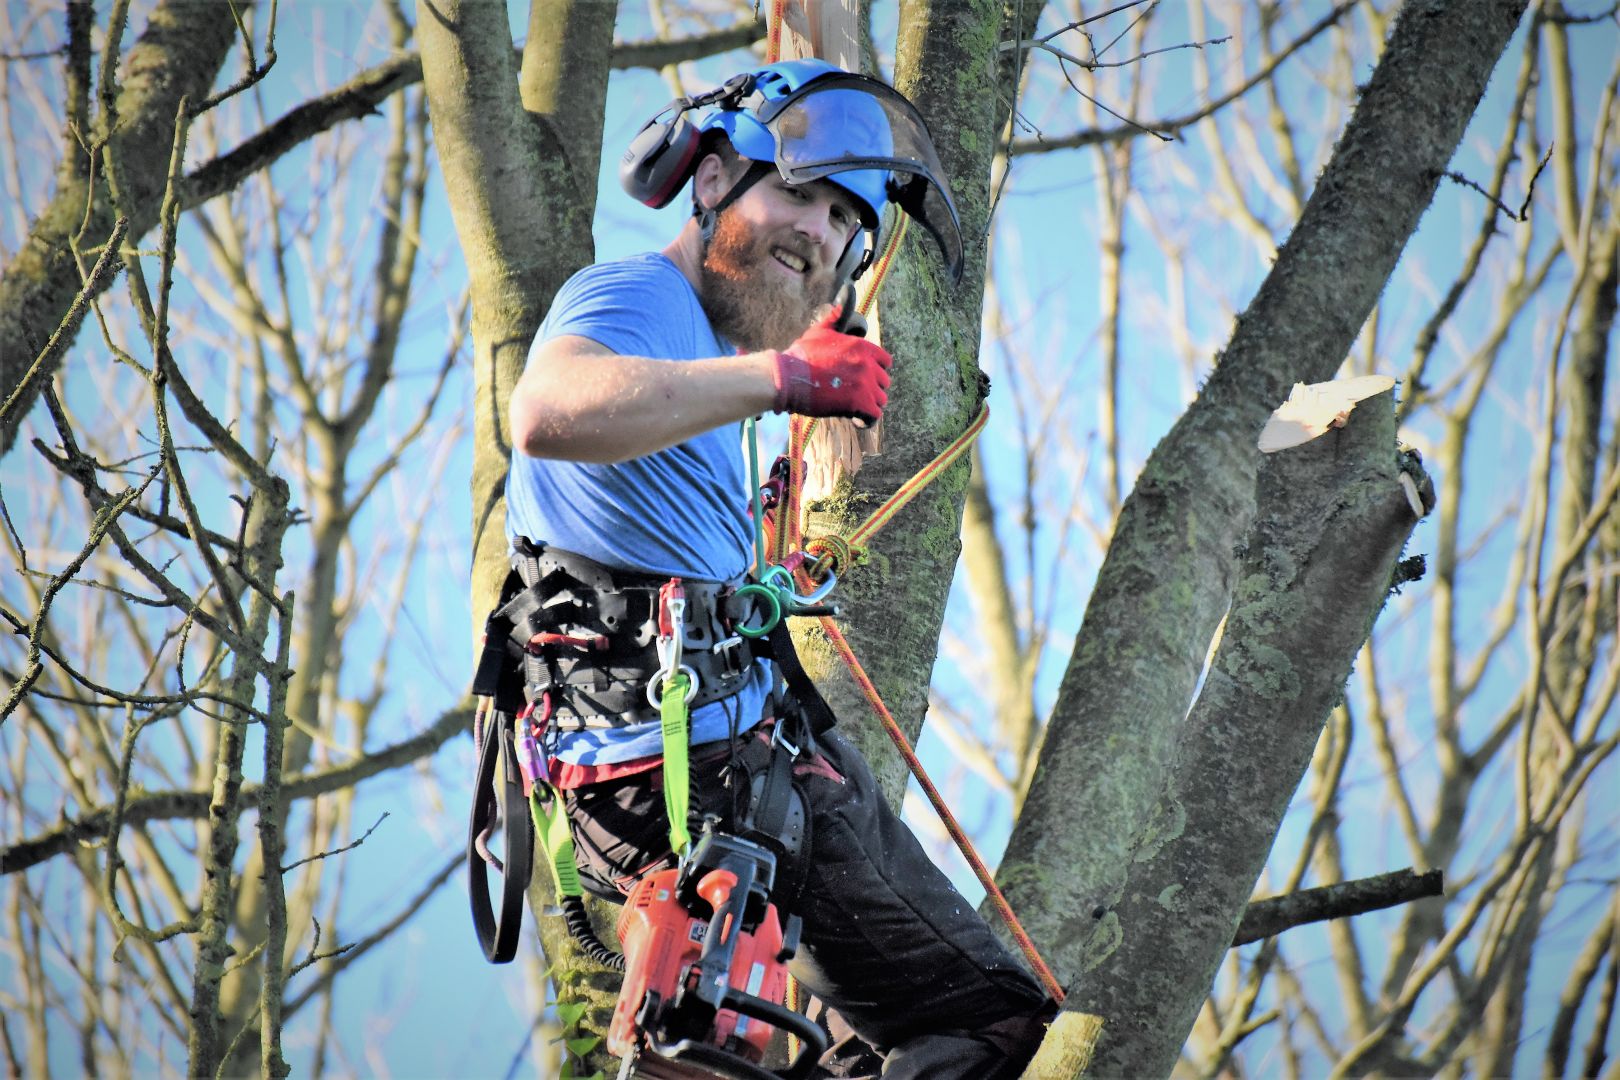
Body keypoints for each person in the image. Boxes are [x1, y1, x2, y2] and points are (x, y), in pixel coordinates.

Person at [501, 59, 1052, 1079]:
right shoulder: (635, 295)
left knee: (928, 1032)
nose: (825, 235)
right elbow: (546, 414)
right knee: (937, 1028)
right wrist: (786, 375)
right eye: (799, 192)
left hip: (737, 771)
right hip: (685, 781)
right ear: (711, 181)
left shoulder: (696, 356)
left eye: (848, 220)